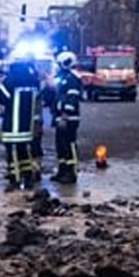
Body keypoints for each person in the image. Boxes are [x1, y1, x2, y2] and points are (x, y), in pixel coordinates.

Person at [0, 59, 40, 190]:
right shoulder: (34, 80)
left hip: (12, 124)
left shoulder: (9, 81)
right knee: (24, 152)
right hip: (27, 125)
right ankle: (28, 179)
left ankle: (14, 179)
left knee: (12, 153)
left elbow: (1, 98)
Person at [51, 51, 83, 183]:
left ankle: (71, 172)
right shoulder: (62, 77)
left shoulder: (72, 79)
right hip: (60, 117)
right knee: (61, 145)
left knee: (69, 144)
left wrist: (65, 114)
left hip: (69, 118)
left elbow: (72, 98)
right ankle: (62, 171)